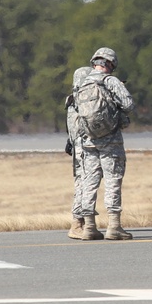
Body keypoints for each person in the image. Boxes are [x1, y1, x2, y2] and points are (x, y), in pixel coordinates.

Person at [74, 48, 135, 240]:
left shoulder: (82, 82)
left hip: (88, 140)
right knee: (112, 179)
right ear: (110, 64)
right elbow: (129, 105)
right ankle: (114, 226)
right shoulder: (110, 81)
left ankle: (89, 227)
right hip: (110, 140)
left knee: (89, 181)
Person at [66, 64, 93, 239]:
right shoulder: (79, 102)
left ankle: (80, 221)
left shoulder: (73, 100)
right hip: (82, 149)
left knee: (83, 184)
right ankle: (77, 223)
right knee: (82, 184)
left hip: (79, 147)